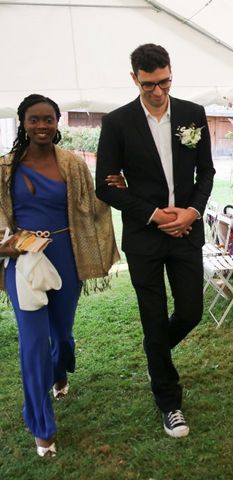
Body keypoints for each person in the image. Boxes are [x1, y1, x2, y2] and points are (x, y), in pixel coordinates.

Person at [95, 44, 215, 438]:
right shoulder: (117, 123)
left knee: (192, 310)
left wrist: (190, 213)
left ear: (170, 73)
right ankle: (169, 402)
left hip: (186, 232)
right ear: (135, 79)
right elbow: (105, 186)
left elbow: (207, 173)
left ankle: (155, 353)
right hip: (144, 237)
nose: (159, 91)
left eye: (164, 81)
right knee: (152, 314)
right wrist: (153, 213)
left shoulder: (193, 115)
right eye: (150, 85)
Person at [0, 94, 119, 456]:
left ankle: (61, 370)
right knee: (33, 343)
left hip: (67, 256)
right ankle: (42, 428)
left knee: (62, 337)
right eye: (34, 119)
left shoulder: (72, 164)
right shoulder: (5, 167)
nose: (42, 126)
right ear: (22, 122)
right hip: (23, 261)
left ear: (57, 122)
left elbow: (93, 204)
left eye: (48, 119)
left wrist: (114, 189)